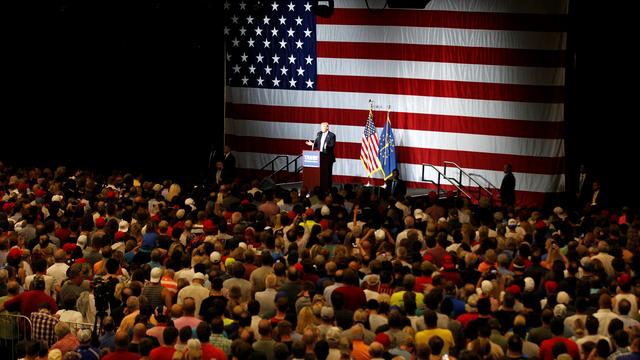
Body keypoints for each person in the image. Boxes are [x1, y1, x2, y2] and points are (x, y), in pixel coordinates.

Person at [305, 121, 336, 189]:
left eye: (323, 126)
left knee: (327, 173)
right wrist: (312, 144)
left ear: (327, 127)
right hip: (319, 157)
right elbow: (317, 143)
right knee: (320, 173)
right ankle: (320, 186)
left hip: (328, 157)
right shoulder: (319, 134)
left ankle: (328, 188)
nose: (321, 128)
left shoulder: (332, 135)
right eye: (321, 126)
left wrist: (326, 146)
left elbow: (332, 145)